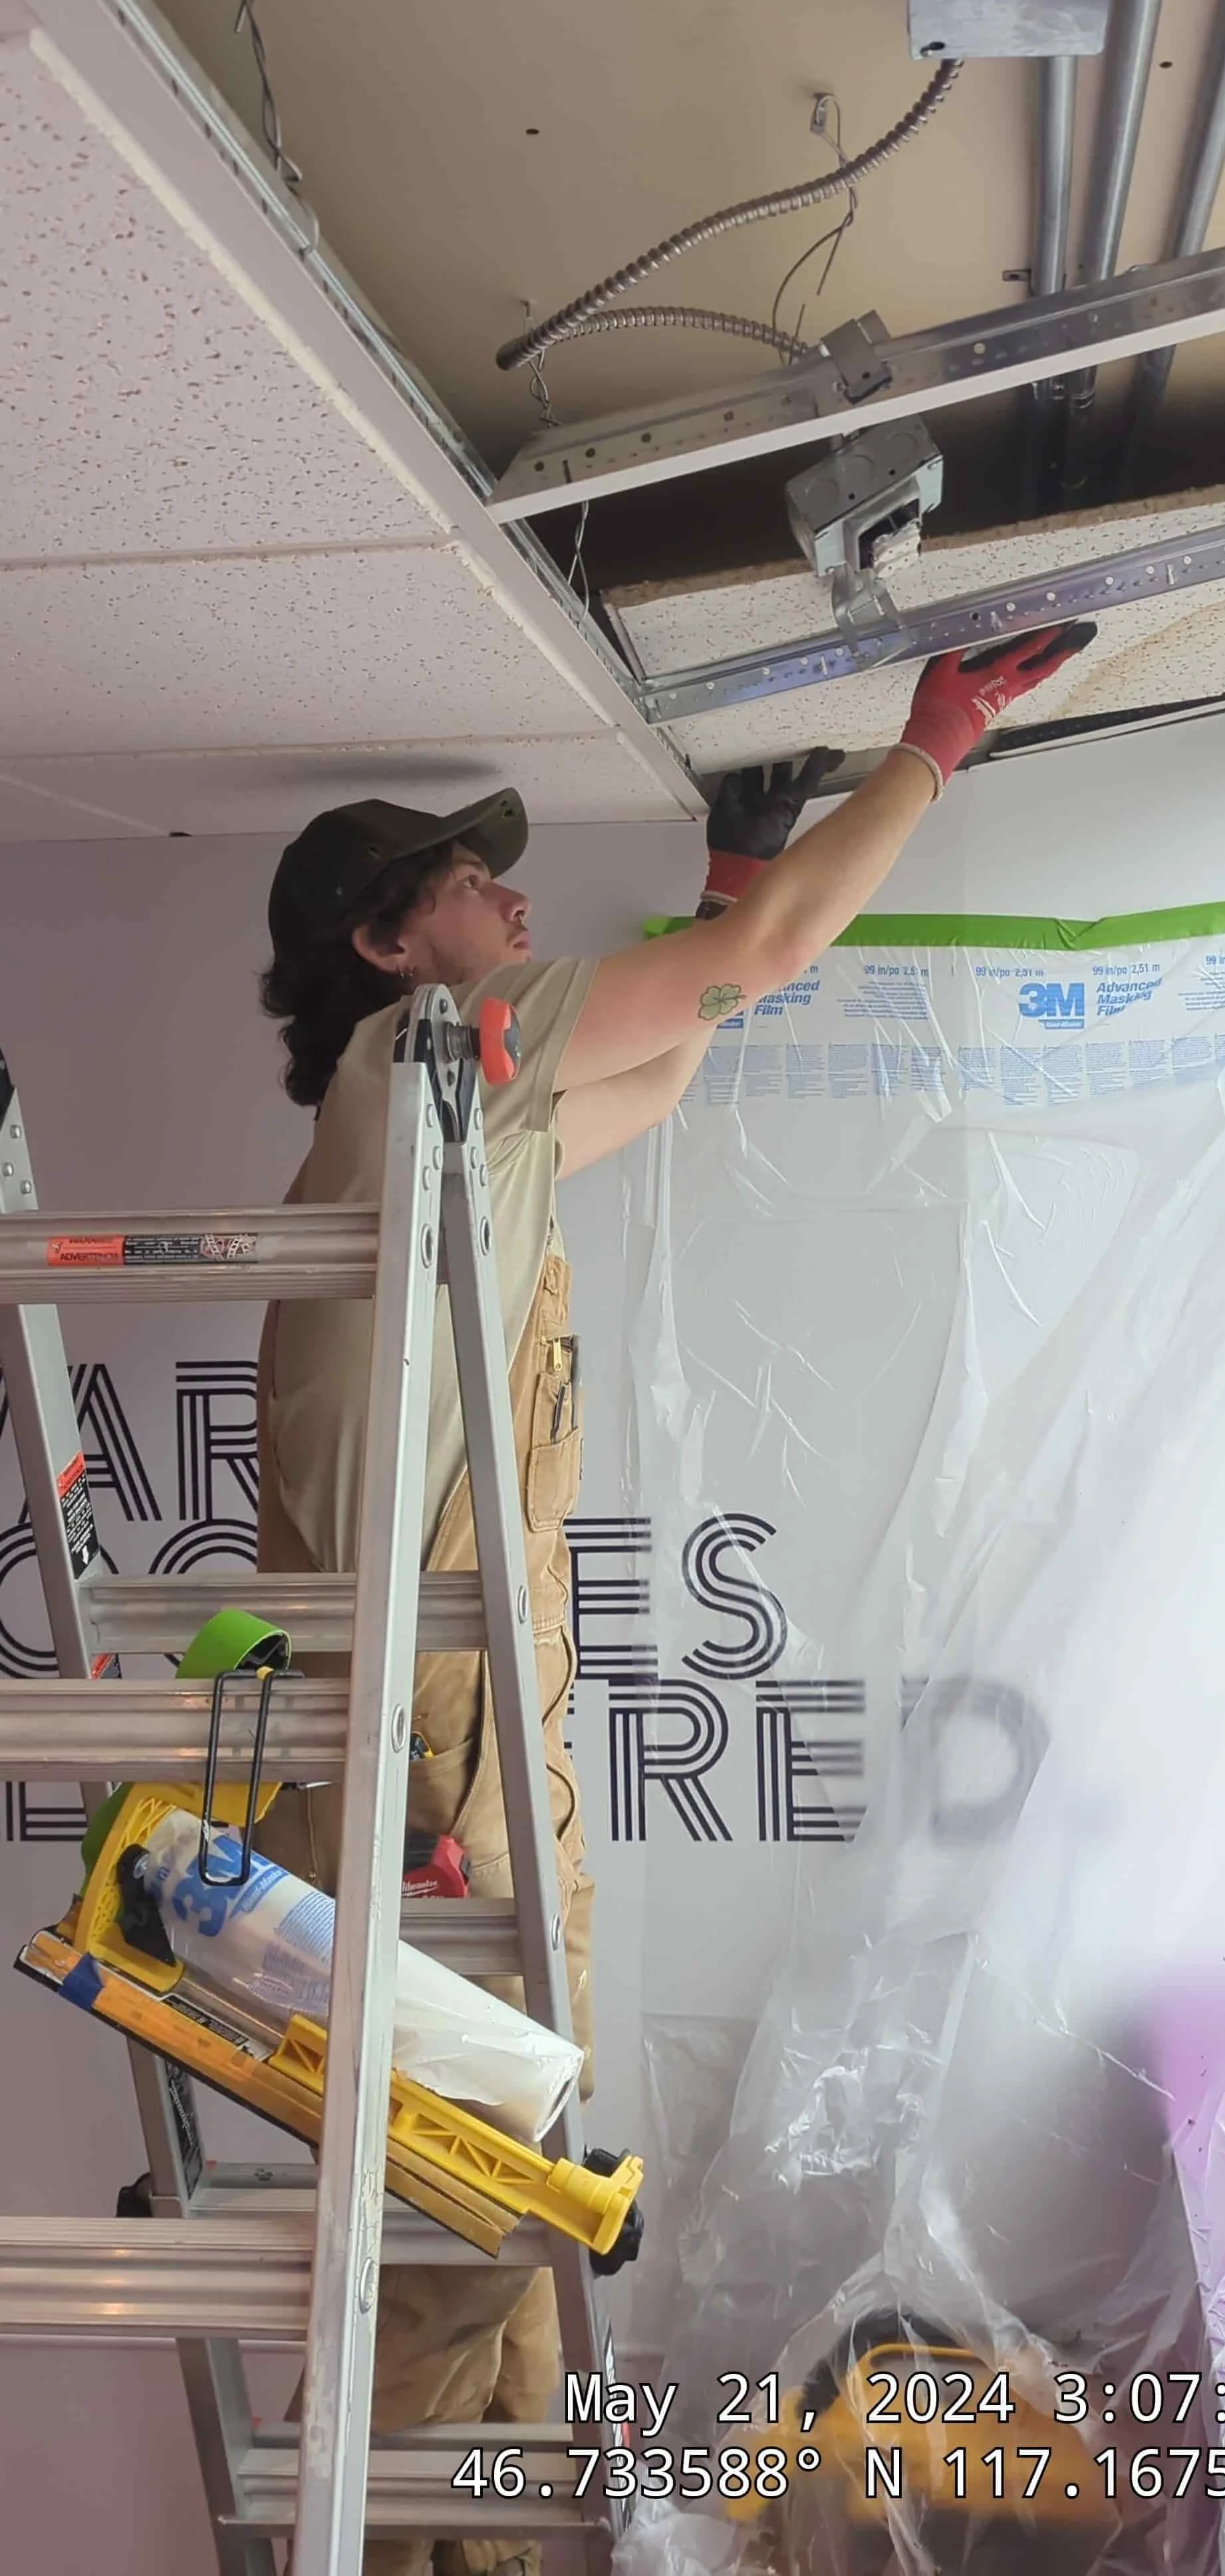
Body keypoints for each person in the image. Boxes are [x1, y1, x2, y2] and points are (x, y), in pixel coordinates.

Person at [252, 622, 1093, 2576]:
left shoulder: (473, 1124)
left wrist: (723, 888)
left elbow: (688, 1055)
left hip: (465, 1739)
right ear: (390, 946)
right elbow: (775, 967)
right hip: (415, 1759)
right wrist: (933, 742)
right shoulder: (417, 1062)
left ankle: (467, 2551)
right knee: (475, 2225)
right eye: (471, 883)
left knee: (501, 2244)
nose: (514, 897)